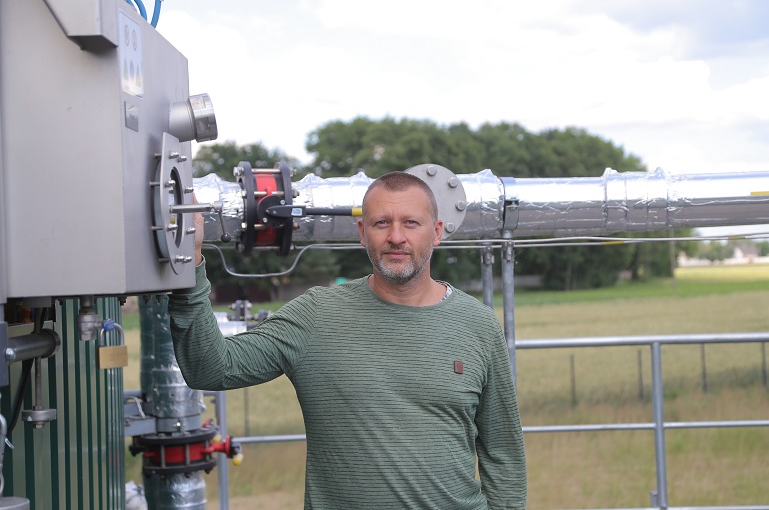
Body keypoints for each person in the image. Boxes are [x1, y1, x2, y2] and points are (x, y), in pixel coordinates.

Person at [168, 171, 528, 509]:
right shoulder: (316, 315)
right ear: (362, 232)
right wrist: (191, 259)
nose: (396, 237)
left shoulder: (478, 324)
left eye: (411, 223)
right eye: (381, 223)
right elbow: (211, 369)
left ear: (435, 232)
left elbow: (503, 453)